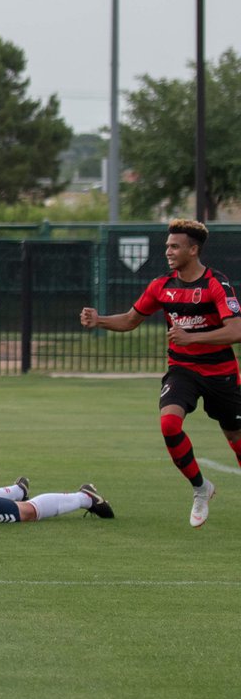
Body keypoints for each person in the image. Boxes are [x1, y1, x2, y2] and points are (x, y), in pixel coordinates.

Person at [80, 219, 241, 528]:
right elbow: (129, 320)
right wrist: (99, 320)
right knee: (169, 424)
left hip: (221, 373)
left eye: (175, 246)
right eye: (167, 245)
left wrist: (191, 338)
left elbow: (236, 329)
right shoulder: (161, 286)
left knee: (235, 436)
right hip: (182, 370)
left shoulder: (215, 284)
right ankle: (200, 488)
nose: (168, 251)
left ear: (193, 250)